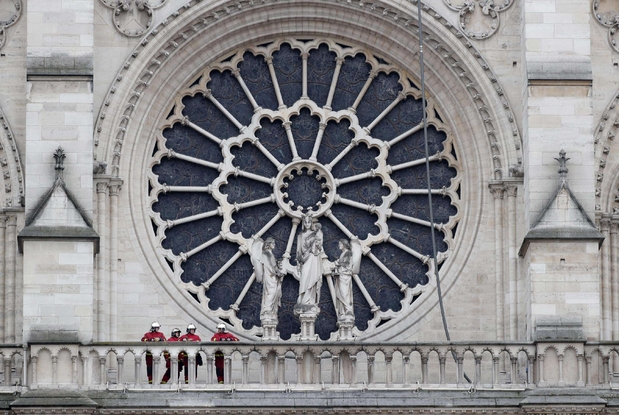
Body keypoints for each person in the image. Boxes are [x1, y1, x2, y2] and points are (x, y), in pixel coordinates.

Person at [250, 237, 283, 322]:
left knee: (273, 293)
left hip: (273, 277)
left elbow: (273, 265)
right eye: (273, 243)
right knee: (270, 293)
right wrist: (276, 273)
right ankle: (267, 310)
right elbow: (269, 266)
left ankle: (271, 311)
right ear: (268, 244)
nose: (274, 245)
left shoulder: (270, 254)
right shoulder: (266, 254)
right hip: (270, 277)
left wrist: (277, 270)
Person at [296, 214, 324, 306]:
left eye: (309, 222)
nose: (307, 224)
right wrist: (298, 263)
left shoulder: (315, 234)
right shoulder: (300, 235)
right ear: (303, 223)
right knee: (304, 279)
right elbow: (298, 250)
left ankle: (310, 300)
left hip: (313, 258)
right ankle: (303, 298)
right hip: (305, 259)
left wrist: (318, 241)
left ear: (311, 223)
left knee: (312, 279)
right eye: (306, 222)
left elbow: (319, 247)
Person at [333, 239, 354, 319]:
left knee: (344, 292)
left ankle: (348, 309)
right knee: (341, 293)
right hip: (341, 275)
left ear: (344, 244)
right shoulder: (343, 254)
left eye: (340, 244)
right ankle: (343, 311)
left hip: (345, 275)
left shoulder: (348, 253)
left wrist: (337, 263)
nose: (339, 245)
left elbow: (346, 263)